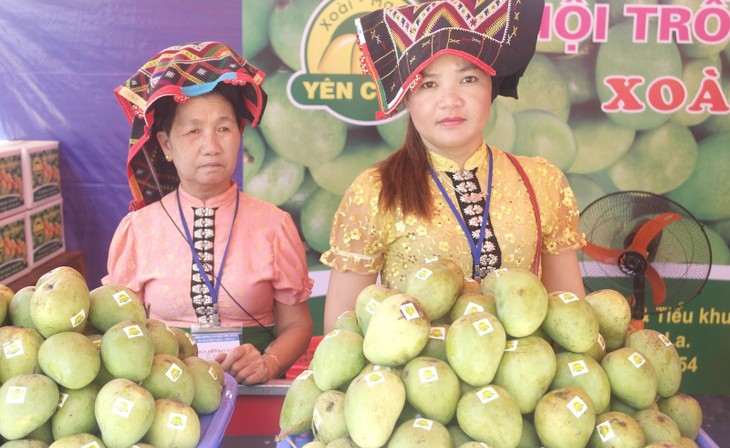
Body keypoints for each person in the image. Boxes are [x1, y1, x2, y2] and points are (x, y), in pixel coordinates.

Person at [320, 0, 586, 331]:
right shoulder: (375, 190)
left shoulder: (542, 181)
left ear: (492, 85)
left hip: (527, 374)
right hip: (414, 377)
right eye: (429, 84)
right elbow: (341, 331)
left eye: (468, 78)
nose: (450, 100)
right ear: (407, 97)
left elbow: (572, 318)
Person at [104, 41, 314, 384]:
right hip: (163, 397)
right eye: (192, 131)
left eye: (224, 129)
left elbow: (297, 324)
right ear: (166, 144)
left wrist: (269, 362)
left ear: (240, 135)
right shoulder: (138, 230)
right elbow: (120, 333)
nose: (211, 146)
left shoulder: (275, 226)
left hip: (252, 387)